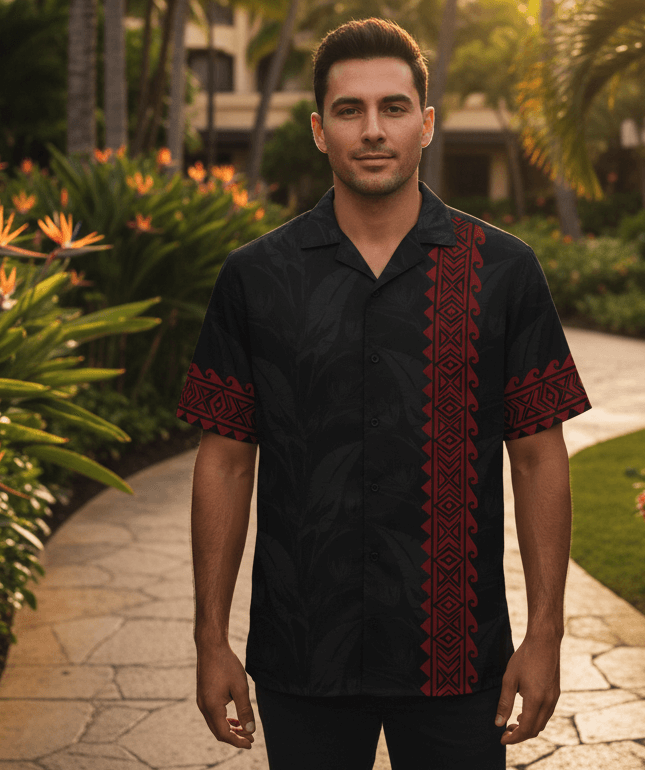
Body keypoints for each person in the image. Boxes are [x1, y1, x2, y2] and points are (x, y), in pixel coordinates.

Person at [176, 17, 592, 770]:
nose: (374, 130)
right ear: (318, 129)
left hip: (459, 661)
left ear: (426, 124)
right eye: (349, 110)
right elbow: (227, 460)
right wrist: (210, 639)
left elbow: (537, 456)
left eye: (394, 108)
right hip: (301, 655)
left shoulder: (504, 271)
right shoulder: (256, 278)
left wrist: (546, 634)